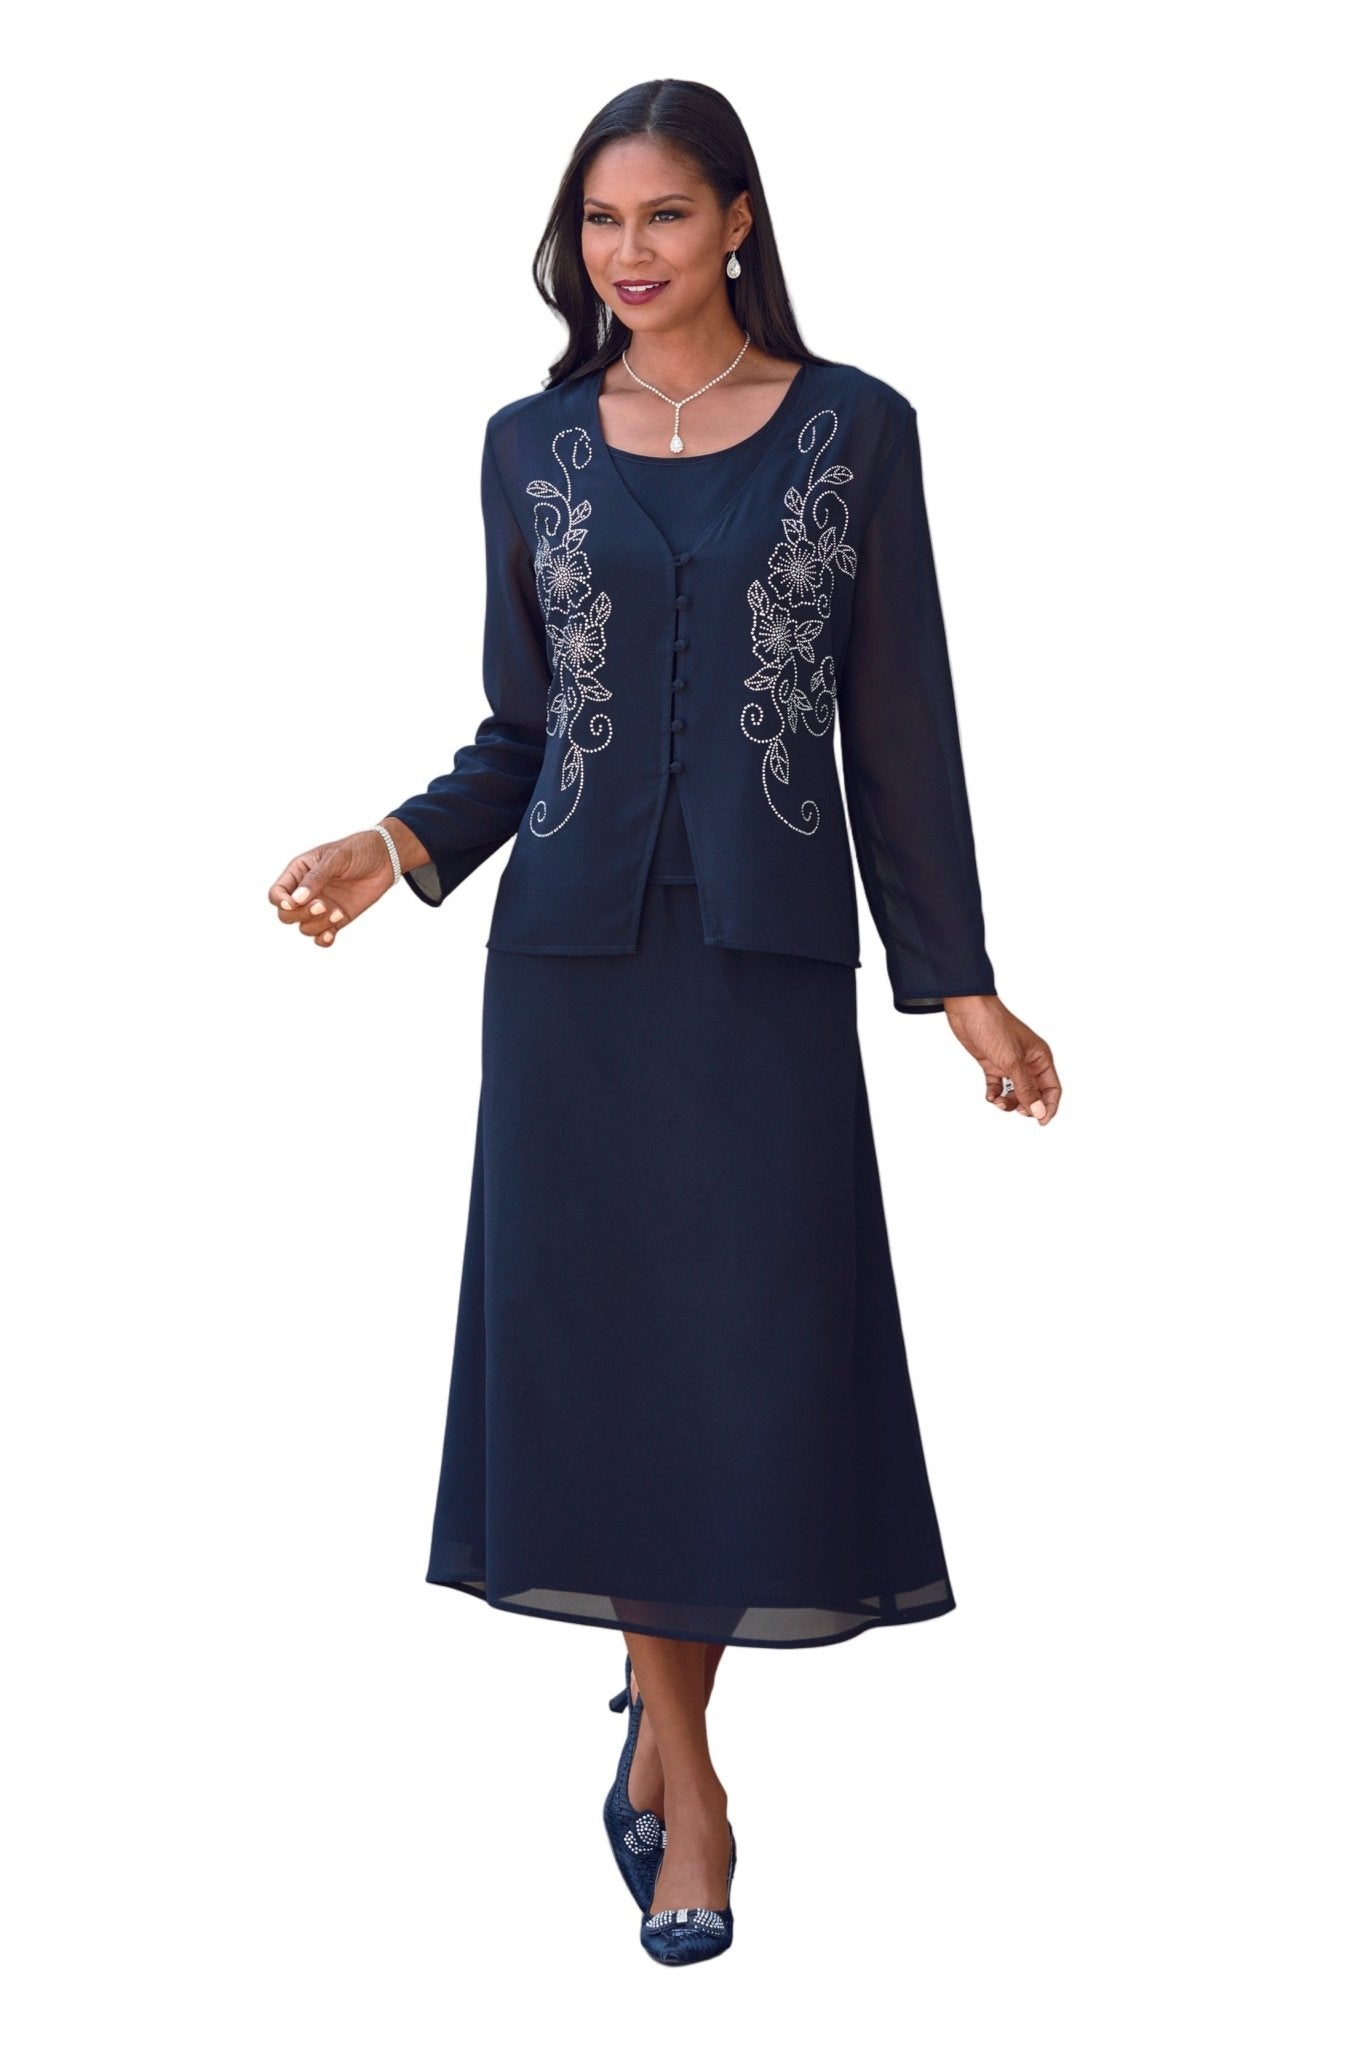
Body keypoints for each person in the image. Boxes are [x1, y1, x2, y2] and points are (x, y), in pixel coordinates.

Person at [268, 76, 1062, 1968]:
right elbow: (523, 731)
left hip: (761, 971)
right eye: (600, 223)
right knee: (614, 1358)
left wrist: (957, 982)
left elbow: (901, 724)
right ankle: (684, 1770)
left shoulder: (853, 430)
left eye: (664, 217)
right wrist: (394, 844)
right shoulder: (530, 447)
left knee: (742, 1360)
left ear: (737, 224)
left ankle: (659, 1727)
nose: (627, 253)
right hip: (570, 977)